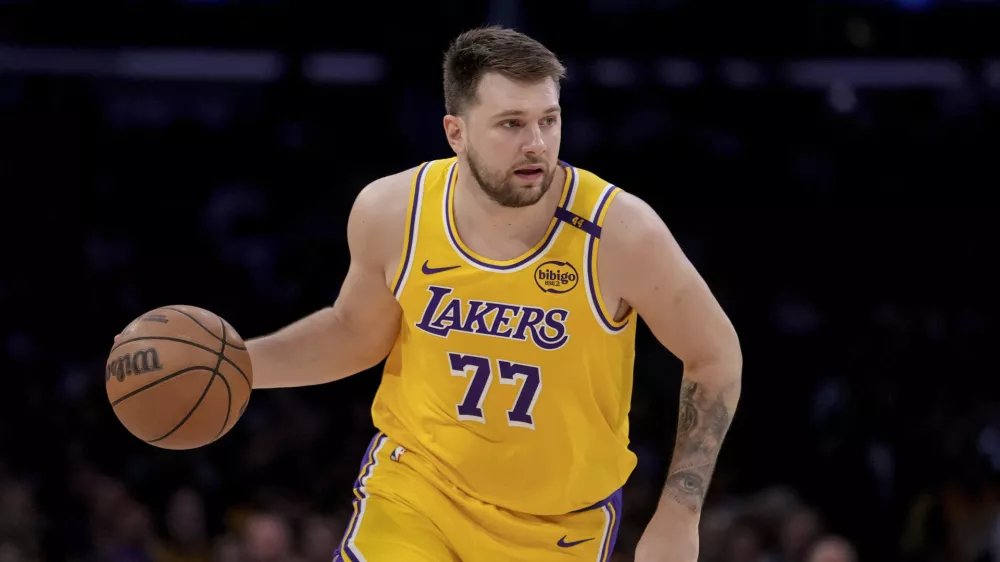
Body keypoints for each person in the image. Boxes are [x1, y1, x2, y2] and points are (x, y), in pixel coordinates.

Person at [246, 26, 742, 562]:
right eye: (511, 124)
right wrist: (238, 365)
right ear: (455, 132)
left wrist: (679, 513)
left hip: (556, 524)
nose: (536, 144)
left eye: (548, 121)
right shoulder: (393, 211)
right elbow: (354, 333)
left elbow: (714, 355)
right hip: (418, 491)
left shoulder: (620, 232)